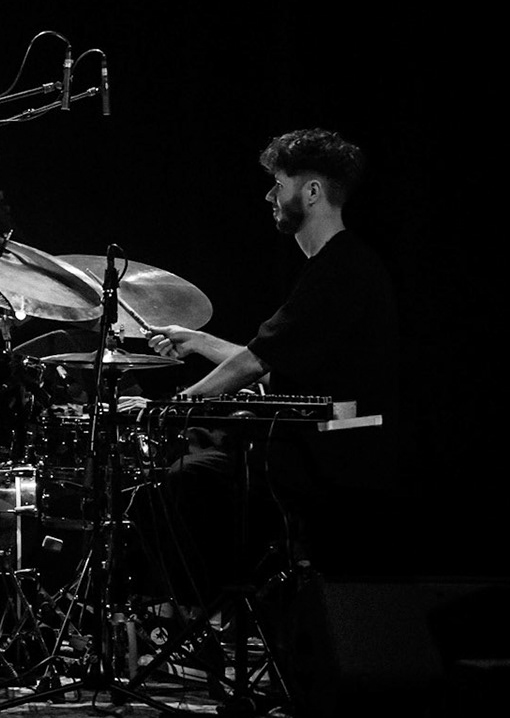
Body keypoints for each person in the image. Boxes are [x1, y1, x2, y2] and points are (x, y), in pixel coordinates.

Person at [143, 128, 399, 580]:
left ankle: (193, 609)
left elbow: (256, 363)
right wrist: (198, 341)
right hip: (323, 447)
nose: (269, 196)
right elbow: (273, 359)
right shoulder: (339, 265)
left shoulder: (341, 271)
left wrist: (174, 408)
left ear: (313, 191)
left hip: (335, 457)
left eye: (279, 184)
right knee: (206, 456)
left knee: (187, 479)